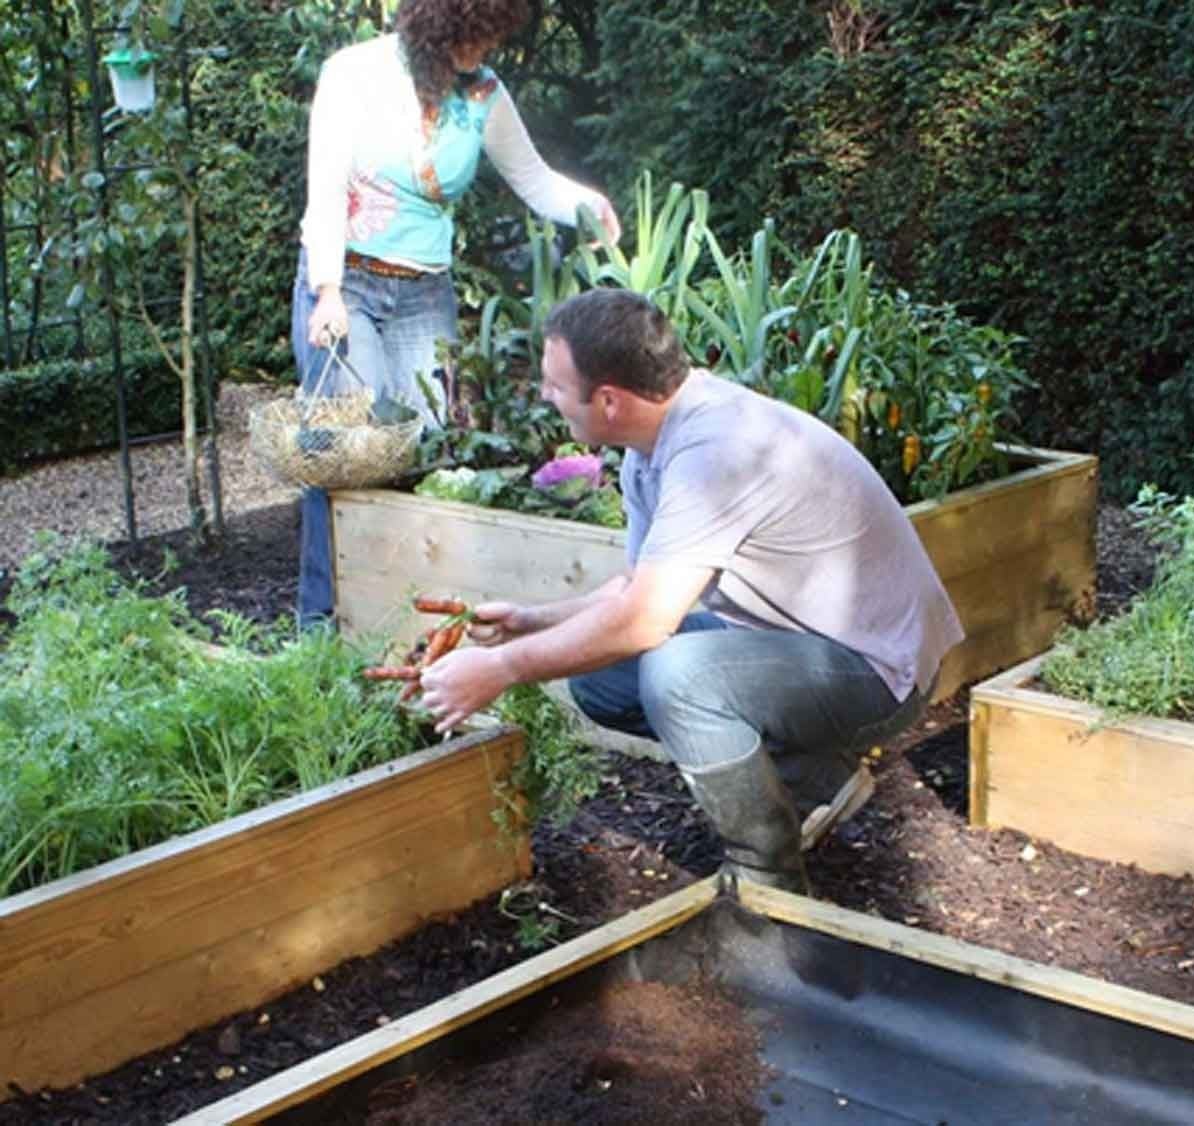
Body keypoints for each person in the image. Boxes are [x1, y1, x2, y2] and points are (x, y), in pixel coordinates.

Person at [419, 289, 964, 893]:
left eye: (554, 385)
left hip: (878, 673)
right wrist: (531, 622)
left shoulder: (715, 450)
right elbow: (636, 588)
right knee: (602, 678)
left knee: (678, 675)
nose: (545, 395)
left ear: (608, 400)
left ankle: (767, 875)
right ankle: (817, 781)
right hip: (801, 644)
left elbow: (644, 623)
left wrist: (498, 669)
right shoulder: (649, 446)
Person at [290, 0, 621, 626]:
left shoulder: (485, 94)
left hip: (424, 293)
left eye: (491, 37)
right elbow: (327, 186)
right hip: (348, 282)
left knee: (427, 446)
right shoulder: (354, 74)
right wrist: (328, 290)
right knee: (344, 452)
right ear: (437, 25)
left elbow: (535, 178)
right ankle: (322, 624)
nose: (482, 52)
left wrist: (590, 205)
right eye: (472, 37)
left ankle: (402, 620)